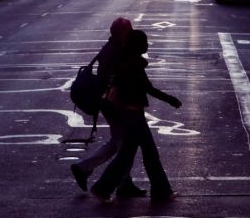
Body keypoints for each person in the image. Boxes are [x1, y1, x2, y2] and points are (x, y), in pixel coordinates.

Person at [90, 29, 182, 203]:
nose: (147, 45)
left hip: (130, 114)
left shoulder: (127, 61)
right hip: (133, 115)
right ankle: (104, 188)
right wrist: (171, 99)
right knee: (141, 154)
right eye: (144, 42)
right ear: (137, 45)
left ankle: (104, 188)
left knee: (138, 154)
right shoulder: (133, 65)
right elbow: (148, 88)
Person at [70, 18, 147, 197]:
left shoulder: (113, 47)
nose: (132, 32)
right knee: (124, 144)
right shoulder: (115, 51)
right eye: (129, 29)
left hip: (113, 103)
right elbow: (114, 78)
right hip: (115, 104)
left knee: (118, 142)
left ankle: (88, 170)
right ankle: (119, 182)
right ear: (122, 32)